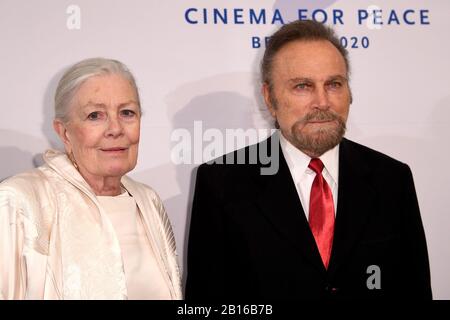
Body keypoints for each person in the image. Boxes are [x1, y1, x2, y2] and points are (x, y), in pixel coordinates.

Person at [185, 20, 432, 300]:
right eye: (302, 86)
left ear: (349, 93)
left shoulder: (392, 179)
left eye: (334, 84)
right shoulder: (221, 183)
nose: (322, 101)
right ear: (269, 97)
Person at [0, 58, 182, 299]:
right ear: (64, 132)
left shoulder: (148, 200)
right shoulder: (20, 201)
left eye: (127, 113)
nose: (115, 129)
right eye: (95, 115)